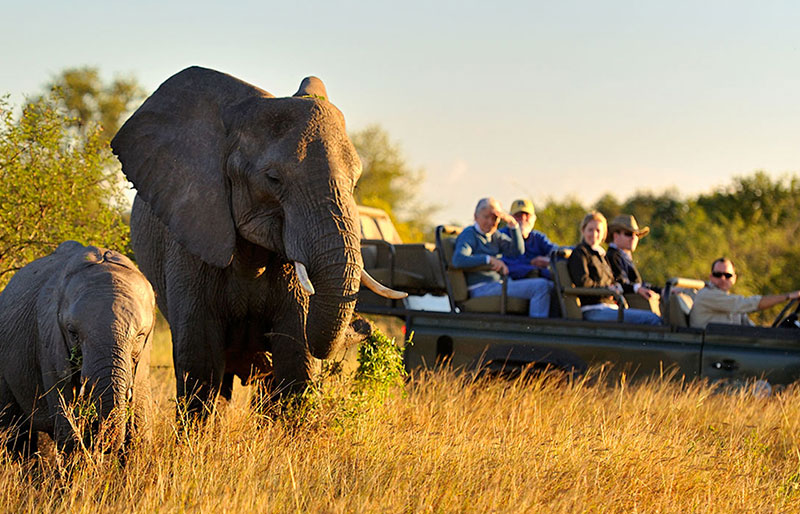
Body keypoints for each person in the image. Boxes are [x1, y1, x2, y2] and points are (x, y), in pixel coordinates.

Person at [451, 197, 553, 318]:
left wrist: (513, 226)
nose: (490, 222)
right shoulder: (470, 234)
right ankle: (536, 333)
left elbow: (517, 251)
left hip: (498, 284)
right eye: (486, 217)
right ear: (476, 216)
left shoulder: (494, 235)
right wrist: (488, 259)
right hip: (481, 288)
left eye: (494, 218)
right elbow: (458, 260)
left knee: (551, 286)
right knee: (541, 286)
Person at [567, 211, 661, 325]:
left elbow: (612, 280)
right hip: (593, 308)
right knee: (652, 319)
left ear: (603, 234)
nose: (594, 234)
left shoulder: (602, 255)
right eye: (590, 230)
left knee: (655, 316)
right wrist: (607, 290)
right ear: (583, 230)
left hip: (610, 306)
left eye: (598, 231)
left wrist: (614, 288)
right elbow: (583, 282)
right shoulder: (580, 253)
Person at [689, 258, 800, 328]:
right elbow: (750, 303)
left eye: (728, 276)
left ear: (734, 279)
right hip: (714, 349)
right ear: (711, 277)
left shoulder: (730, 302)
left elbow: (750, 329)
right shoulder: (708, 295)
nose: (723, 279)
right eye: (718, 275)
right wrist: (788, 296)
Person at [606, 214, 660, 301]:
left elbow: (639, 284)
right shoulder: (612, 256)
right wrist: (637, 289)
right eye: (629, 234)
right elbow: (622, 284)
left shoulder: (624, 257)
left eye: (637, 234)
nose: (634, 238)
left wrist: (663, 290)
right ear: (615, 235)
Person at [500, 199, 558, 280]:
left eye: (527, 215)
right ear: (510, 218)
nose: (523, 219)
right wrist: (531, 263)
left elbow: (556, 251)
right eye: (518, 215)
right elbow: (501, 262)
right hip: (510, 282)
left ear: (534, 219)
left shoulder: (537, 237)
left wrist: (549, 260)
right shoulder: (501, 235)